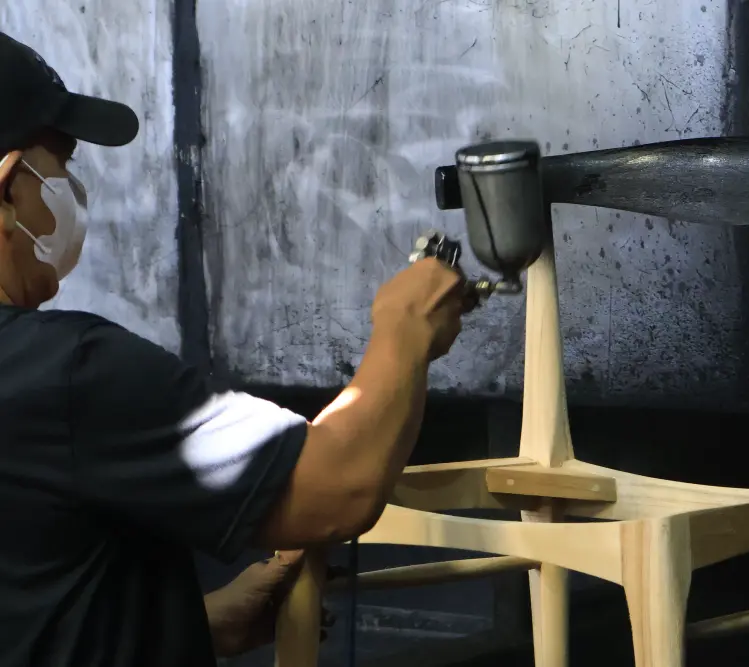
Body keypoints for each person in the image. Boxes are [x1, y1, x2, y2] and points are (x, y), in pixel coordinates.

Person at [0, 31, 467, 667]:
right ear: (9, 185)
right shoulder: (68, 374)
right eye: (61, 165)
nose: (70, 189)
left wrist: (195, 628)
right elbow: (334, 485)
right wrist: (406, 328)